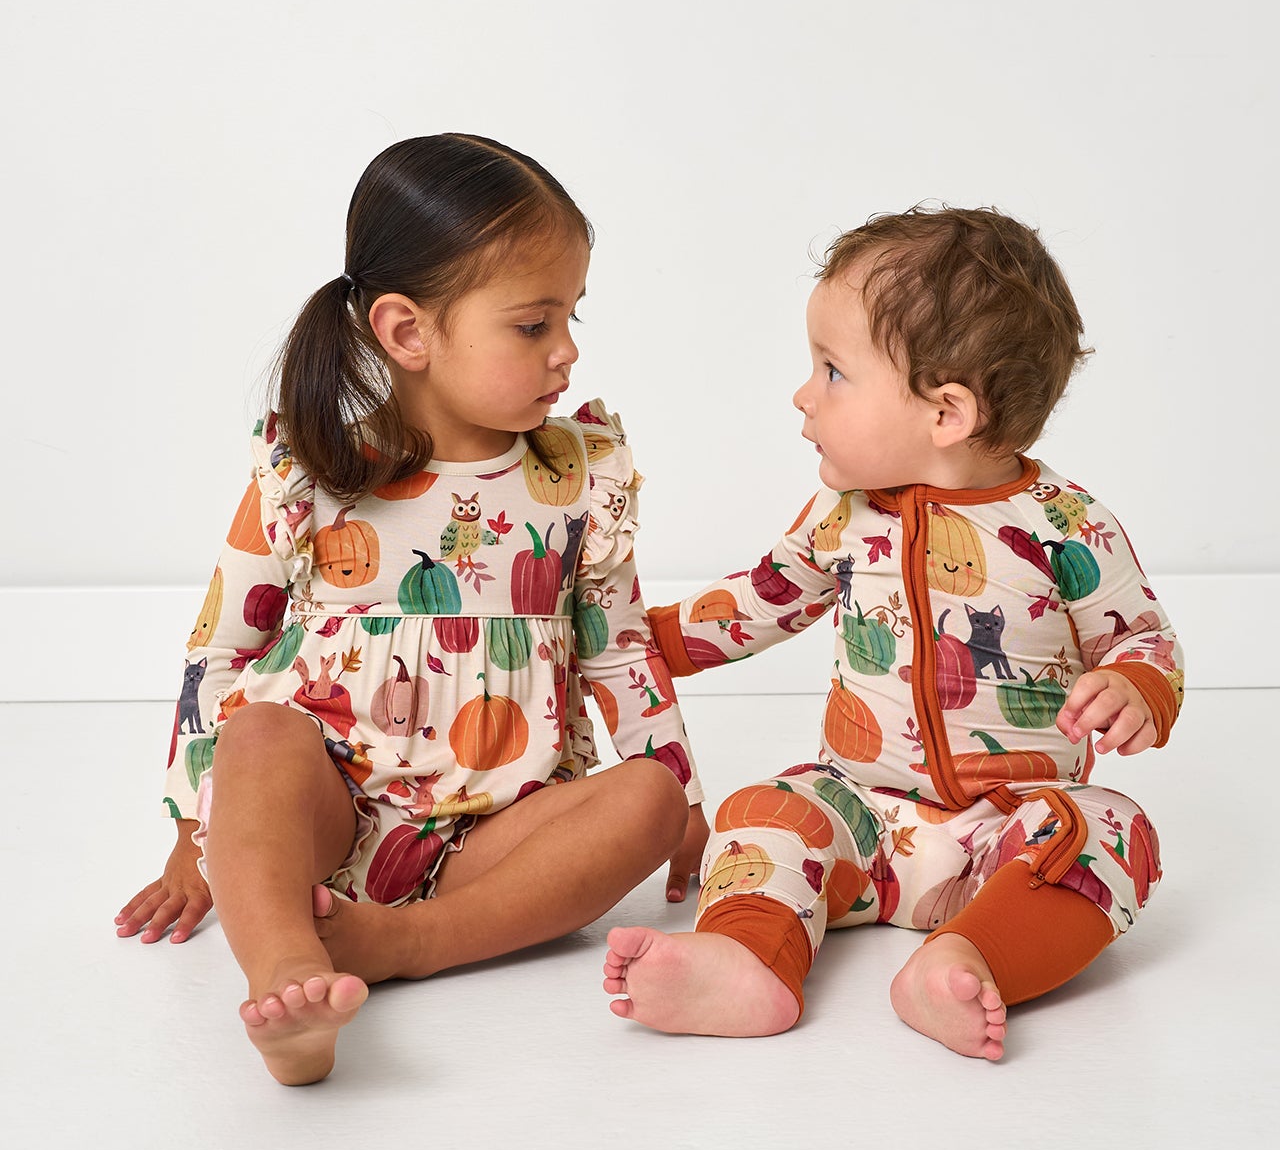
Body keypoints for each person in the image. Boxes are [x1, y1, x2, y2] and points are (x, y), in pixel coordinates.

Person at [116, 132, 706, 1085]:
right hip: (331, 818)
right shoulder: (311, 473)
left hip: (499, 833)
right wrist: (194, 837)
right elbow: (219, 653)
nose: (568, 352)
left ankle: (410, 941)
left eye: (573, 317)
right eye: (533, 324)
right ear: (406, 332)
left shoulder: (579, 475)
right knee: (262, 735)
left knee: (645, 796)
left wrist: (681, 792)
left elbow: (619, 646)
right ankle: (288, 973)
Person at [603, 205, 1182, 1061]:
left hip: (1008, 830)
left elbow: (1143, 636)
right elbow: (761, 600)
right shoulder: (842, 516)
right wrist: (638, 638)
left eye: (833, 372)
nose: (803, 394)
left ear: (945, 412)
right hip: (863, 821)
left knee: (1112, 832)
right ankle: (745, 960)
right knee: (767, 810)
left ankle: (972, 957)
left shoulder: (1066, 525)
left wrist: (1138, 685)